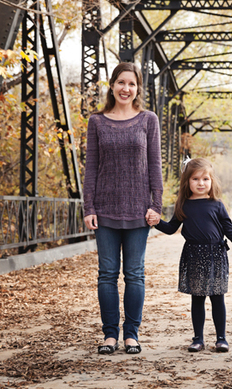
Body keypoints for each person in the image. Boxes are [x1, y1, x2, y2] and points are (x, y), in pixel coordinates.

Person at [83, 62, 163, 355]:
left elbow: (155, 164)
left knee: (134, 273)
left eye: (131, 84)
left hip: (139, 210)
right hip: (104, 209)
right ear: (112, 85)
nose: (126, 89)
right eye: (121, 83)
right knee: (106, 274)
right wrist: (88, 206)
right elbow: (91, 167)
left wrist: (157, 204)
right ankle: (109, 336)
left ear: (138, 88)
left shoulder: (148, 120)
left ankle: (131, 335)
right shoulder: (97, 122)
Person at [155, 157, 232, 353]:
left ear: (211, 181)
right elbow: (171, 228)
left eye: (205, 179)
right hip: (194, 254)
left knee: (217, 297)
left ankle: (221, 338)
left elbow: (229, 230)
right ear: (187, 182)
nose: (201, 183)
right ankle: (198, 338)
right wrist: (156, 221)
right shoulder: (184, 205)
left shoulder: (217, 204)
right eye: (195, 179)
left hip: (216, 254)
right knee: (197, 298)